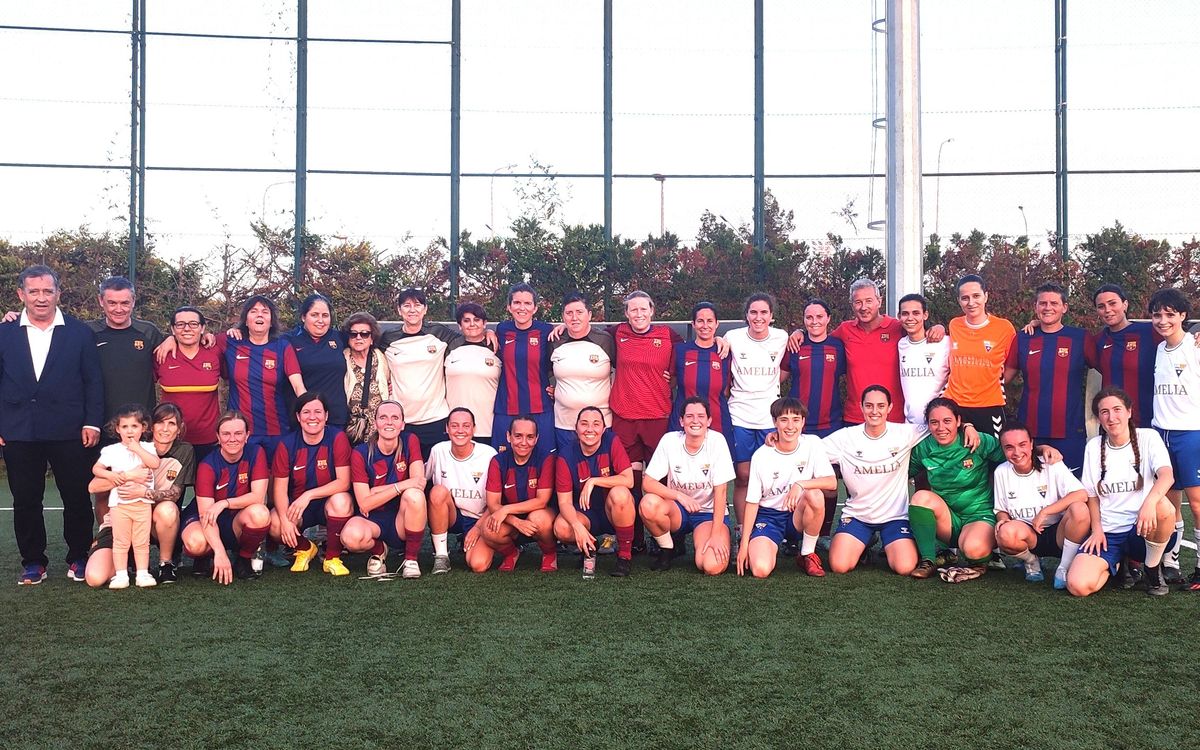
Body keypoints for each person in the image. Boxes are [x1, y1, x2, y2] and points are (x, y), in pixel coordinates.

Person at [1, 265, 104, 585]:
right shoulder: (4, 332)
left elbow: (93, 382)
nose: (41, 298)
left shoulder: (79, 332)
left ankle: (78, 557)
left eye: (48, 291)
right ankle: (33, 562)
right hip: (19, 430)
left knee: (75, 496)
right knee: (26, 499)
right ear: (21, 295)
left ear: (58, 293)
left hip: (70, 429)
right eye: (34, 291)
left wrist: (93, 422)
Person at [822, 385, 949, 577]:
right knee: (839, 566)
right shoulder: (845, 438)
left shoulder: (905, 433)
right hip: (858, 516)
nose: (875, 411)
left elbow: (939, 425)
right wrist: (779, 439)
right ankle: (865, 543)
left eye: (881, 406)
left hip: (895, 517)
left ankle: (900, 540)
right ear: (861, 407)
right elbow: (810, 450)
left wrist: (968, 426)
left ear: (890, 407)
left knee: (904, 567)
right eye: (869, 406)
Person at [1067, 387, 1177, 597]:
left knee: (1163, 506)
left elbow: (1167, 475)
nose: (1111, 416)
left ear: (1129, 411)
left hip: (1144, 530)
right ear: (1099, 418)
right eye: (1104, 412)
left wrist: (1148, 503)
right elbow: (1091, 496)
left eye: (1117, 409)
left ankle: (1152, 570)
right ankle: (1116, 565)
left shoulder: (1148, 437)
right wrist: (1097, 529)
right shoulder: (1093, 446)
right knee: (1078, 586)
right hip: (1109, 534)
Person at [787, 279, 940, 427]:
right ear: (852, 305)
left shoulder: (897, 327)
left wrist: (937, 328)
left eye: (868, 301)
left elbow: (918, 331)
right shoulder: (845, 330)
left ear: (879, 301)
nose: (863, 307)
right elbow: (820, 338)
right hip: (855, 417)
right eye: (858, 302)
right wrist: (800, 332)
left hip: (892, 417)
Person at [84, 402, 195, 587]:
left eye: (172, 424)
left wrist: (143, 491)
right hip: (120, 520)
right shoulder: (123, 449)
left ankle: (165, 564)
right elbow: (93, 487)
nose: (165, 429)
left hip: (148, 518)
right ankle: (123, 562)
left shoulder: (183, 451)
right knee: (95, 578)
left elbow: (174, 494)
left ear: (179, 429)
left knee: (168, 509)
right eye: (161, 423)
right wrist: (128, 476)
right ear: (151, 426)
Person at [907, 398, 1010, 583]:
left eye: (947, 421)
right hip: (947, 520)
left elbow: (1012, 456)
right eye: (934, 422)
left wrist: (1041, 450)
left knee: (973, 550)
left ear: (959, 421)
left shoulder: (977, 440)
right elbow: (902, 473)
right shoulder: (924, 447)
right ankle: (928, 560)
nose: (941, 428)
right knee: (920, 497)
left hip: (979, 515)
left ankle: (981, 559)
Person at [736, 398, 834, 578]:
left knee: (815, 495)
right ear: (774, 422)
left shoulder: (813, 444)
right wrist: (743, 545)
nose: (790, 426)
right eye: (784, 420)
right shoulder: (761, 455)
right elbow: (752, 502)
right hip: (769, 518)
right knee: (760, 570)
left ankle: (807, 554)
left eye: (796, 419)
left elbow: (831, 482)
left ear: (803, 422)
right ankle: (761, 545)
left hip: (797, 515)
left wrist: (800, 484)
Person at [381, 288, 482, 460]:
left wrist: (488, 332)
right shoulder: (388, 339)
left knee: (434, 477)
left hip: (435, 419)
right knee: (405, 473)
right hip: (402, 421)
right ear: (399, 310)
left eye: (418, 305)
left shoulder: (439, 333)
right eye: (406, 305)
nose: (412, 310)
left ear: (425, 309)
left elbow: (470, 336)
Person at [640, 397, 736, 574]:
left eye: (701, 416)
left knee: (710, 566)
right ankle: (668, 549)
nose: (695, 421)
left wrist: (715, 536)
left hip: (707, 514)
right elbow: (648, 483)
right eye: (689, 416)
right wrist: (679, 496)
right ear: (681, 421)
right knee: (649, 504)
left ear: (709, 421)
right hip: (678, 510)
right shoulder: (670, 441)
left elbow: (721, 492)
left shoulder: (717, 441)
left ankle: (721, 537)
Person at [1003, 283, 1089, 475]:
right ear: (1036, 307)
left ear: (1064, 307)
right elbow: (1004, 378)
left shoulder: (1080, 338)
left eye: (1054, 303)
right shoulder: (1023, 338)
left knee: (1072, 489)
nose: (1047, 307)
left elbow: (1108, 365)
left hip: (1070, 430)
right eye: (1042, 303)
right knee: (1035, 489)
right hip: (1031, 430)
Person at [993, 422, 1089, 589]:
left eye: (1022, 445)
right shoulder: (1001, 472)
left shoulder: (1051, 464)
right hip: (1029, 535)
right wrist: (1002, 520)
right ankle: (1031, 562)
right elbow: (1001, 509)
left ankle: (1063, 568)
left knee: (1080, 509)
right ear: (1003, 449)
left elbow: (1081, 494)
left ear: (1031, 444)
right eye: (1009, 447)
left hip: (1060, 533)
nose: (1016, 452)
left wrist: (1045, 512)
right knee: (1005, 532)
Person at [180, 410, 272, 584]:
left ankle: (243, 558)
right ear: (218, 436)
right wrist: (220, 554)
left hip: (236, 516)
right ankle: (206, 556)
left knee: (260, 513)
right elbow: (205, 515)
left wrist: (224, 503)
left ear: (247, 436)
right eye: (226, 434)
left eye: (238, 433)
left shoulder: (256, 452)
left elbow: (258, 497)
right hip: (206, 518)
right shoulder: (207, 464)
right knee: (195, 543)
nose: (232, 439)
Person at [781, 297, 846, 541]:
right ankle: (792, 534)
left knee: (829, 484)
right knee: (795, 479)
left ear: (828, 319)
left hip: (831, 425)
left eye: (819, 317)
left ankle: (825, 534)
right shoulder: (795, 346)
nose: (814, 321)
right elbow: (778, 377)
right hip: (797, 427)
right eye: (809, 317)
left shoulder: (838, 347)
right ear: (803, 320)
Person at [1148, 288, 1200, 590]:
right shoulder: (1158, 349)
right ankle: (1172, 560)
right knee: (1170, 501)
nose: (1163, 320)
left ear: (1183, 315)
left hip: (1190, 434)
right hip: (1160, 433)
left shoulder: (1194, 347)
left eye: (1170, 314)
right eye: (1157, 314)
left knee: (1196, 504)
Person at [269, 392, 354, 576]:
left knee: (342, 501)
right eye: (306, 412)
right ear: (299, 417)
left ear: (326, 416)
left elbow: (344, 482)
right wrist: (285, 521)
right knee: (275, 523)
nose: (312, 417)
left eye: (318, 411)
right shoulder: (287, 444)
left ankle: (332, 557)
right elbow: (280, 490)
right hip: (298, 507)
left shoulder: (337, 438)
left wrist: (309, 495)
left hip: (327, 503)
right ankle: (305, 548)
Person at [342, 400, 427, 578]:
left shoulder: (410, 440)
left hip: (401, 519)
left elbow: (419, 482)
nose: (389, 422)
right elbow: (364, 505)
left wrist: (376, 491)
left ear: (402, 424)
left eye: (395, 418)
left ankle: (411, 559)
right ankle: (379, 550)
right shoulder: (361, 452)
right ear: (375, 423)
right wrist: (401, 485)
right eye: (383, 417)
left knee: (415, 495)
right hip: (372, 520)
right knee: (350, 537)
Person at [726, 293, 789, 527]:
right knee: (743, 476)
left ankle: (771, 527)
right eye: (753, 312)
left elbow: (785, 369)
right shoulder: (732, 337)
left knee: (771, 477)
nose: (758, 317)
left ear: (771, 316)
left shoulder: (782, 337)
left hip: (769, 419)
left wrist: (800, 333)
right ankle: (743, 529)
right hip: (739, 416)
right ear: (746, 315)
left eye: (764, 312)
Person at [553, 406, 638, 577]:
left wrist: (594, 481)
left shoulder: (611, 440)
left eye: (596, 424)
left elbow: (628, 480)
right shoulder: (566, 455)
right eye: (584, 424)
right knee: (561, 527)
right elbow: (564, 502)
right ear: (576, 428)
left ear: (603, 429)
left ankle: (624, 556)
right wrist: (577, 526)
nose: (590, 429)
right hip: (586, 515)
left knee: (620, 493)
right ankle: (590, 544)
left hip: (611, 511)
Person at [222, 295, 306, 459]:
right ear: (245, 320)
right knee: (243, 479)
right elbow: (201, 339)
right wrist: (169, 339)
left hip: (276, 429)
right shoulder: (230, 342)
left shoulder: (282, 347)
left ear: (271, 320)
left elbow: (298, 386)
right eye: (254, 311)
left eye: (265, 312)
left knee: (277, 479)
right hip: (240, 431)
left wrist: (311, 410)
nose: (259, 315)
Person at [89, 405, 162, 589]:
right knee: (121, 541)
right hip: (119, 505)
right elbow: (96, 469)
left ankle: (142, 574)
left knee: (141, 542)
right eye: (125, 427)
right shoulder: (111, 450)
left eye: (135, 426)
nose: (130, 431)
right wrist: (111, 476)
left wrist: (137, 449)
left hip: (142, 504)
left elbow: (154, 463)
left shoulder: (147, 447)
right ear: (117, 429)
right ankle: (121, 575)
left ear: (143, 428)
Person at [478, 414, 560, 572]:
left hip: (539, 515)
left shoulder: (546, 458)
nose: (524, 442)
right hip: (512, 520)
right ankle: (511, 553)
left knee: (539, 518)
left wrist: (506, 509)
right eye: (518, 436)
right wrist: (516, 522)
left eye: (530, 437)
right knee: (488, 528)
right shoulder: (498, 461)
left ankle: (549, 553)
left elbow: (541, 501)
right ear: (508, 436)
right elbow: (492, 503)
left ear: (536, 439)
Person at [425, 407, 498, 574]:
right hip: (452, 514)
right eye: (455, 425)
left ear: (474, 429)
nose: (460, 431)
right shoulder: (438, 450)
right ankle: (441, 556)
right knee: (437, 492)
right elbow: (422, 478)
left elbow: (498, 502)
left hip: (480, 518)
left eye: (466, 426)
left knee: (478, 565)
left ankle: (490, 541)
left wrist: (478, 528)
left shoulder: (488, 455)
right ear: (447, 428)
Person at [943, 274, 1017, 437]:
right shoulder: (954, 324)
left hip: (989, 406)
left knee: (994, 458)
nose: (971, 302)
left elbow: (1013, 365)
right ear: (959, 300)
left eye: (976, 296)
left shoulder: (1004, 328)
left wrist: (994, 383)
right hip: (955, 406)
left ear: (986, 296)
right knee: (961, 459)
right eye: (965, 298)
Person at [1085, 283, 1161, 428]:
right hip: (1112, 423)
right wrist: (1040, 324)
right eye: (1101, 306)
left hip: (1148, 421)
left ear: (1125, 304)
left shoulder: (1150, 332)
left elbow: (1178, 340)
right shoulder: (1097, 341)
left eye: (1112, 303)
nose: (1108, 310)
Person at [548, 291, 614, 453]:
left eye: (579, 312)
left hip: (600, 423)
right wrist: (552, 390)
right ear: (563, 317)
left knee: (600, 474)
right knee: (567, 473)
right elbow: (545, 372)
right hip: (564, 424)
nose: (574, 318)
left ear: (589, 314)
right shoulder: (555, 341)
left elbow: (624, 369)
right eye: (569, 313)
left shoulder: (605, 340)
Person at [491, 282, 556, 449]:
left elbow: (562, 360)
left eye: (527, 303)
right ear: (509, 306)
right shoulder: (502, 329)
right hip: (507, 407)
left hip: (540, 407)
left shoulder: (546, 331)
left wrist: (558, 388)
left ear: (535, 308)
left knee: (544, 461)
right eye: (517, 302)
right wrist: (487, 331)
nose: (522, 308)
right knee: (504, 461)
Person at [155, 306, 221, 461]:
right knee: (171, 486)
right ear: (172, 329)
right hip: (170, 440)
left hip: (208, 440)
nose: (187, 329)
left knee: (205, 485)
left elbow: (239, 338)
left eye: (193, 324)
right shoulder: (161, 354)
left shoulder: (215, 352)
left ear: (202, 328)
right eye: (180, 324)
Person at [671, 302, 731, 449]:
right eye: (700, 321)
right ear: (693, 324)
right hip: (683, 421)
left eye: (710, 321)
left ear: (717, 324)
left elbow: (727, 389)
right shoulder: (680, 351)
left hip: (718, 421)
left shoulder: (725, 352)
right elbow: (670, 381)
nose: (705, 325)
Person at [286, 293, 350, 428]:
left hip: (336, 417)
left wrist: (387, 376)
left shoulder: (340, 338)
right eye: (314, 315)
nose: (320, 320)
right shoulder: (288, 340)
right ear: (303, 317)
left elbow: (366, 346)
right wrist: (237, 331)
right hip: (304, 418)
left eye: (325, 315)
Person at [445, 302, 502, 444]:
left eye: (477, 320)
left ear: (485, 323)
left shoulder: (497, 347)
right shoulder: (450, 347)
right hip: (456, 428)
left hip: (488, 426)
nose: (472, 324)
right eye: (466, 320)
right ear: (459, 325)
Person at [896, 293, 950, 426]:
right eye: (905, 313)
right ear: (899, 317)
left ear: (925, 315)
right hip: (911, 426)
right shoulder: (901, 344)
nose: (910, 318)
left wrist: (941, 327)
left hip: (939, 426)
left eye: (916, 313)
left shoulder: (944, 342)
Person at [341, 312, 392, 445]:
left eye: (364, 334)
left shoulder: (381, 358)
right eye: (353, 334)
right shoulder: (342, 359)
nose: (358, 338)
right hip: (352, 428)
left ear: (372, 338)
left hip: (379, 429)